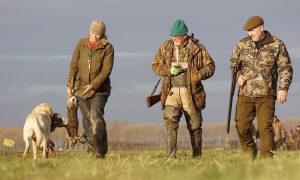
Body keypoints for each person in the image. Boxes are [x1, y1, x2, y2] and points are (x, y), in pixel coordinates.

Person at [230, 16, 293, 160]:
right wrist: (238, 76)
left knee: (265, 128)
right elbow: (234, 64)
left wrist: (283, 88)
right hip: (245, 94)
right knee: (241, 126)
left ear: (261, 28)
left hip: (267, 94)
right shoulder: (242, 44)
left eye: (252, 30)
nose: (249, 34)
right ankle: (249, 151)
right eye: (247, 31)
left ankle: (266, 159)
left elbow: (285, 68)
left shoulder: (277, 44)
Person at [152, 19, 215, 159]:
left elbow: (211, 67)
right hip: (171, 91)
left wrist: (197, 75)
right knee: (170, 121)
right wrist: (169, 70)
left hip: (191, 93)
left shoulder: (198, 48)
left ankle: (197, 157)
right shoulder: (165, 47)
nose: (174, 39)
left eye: (177, 36)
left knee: (195, 126)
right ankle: (169, 157)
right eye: (172, 36)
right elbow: (155, 65)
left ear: (185, 35)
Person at [67, 19, 114, 159]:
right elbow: (73, 65)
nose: (95, 36)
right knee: (87, 120)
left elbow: (106, 70)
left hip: (100, 90)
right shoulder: (81, 43)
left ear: (103, 34)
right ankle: (92, 150)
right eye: (93, 32)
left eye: (98, 33)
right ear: (89, 31)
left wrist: (93, 85)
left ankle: (99, 152)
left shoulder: (108, 48)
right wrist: (70, 86)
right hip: (80, 89)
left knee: (95, 117)